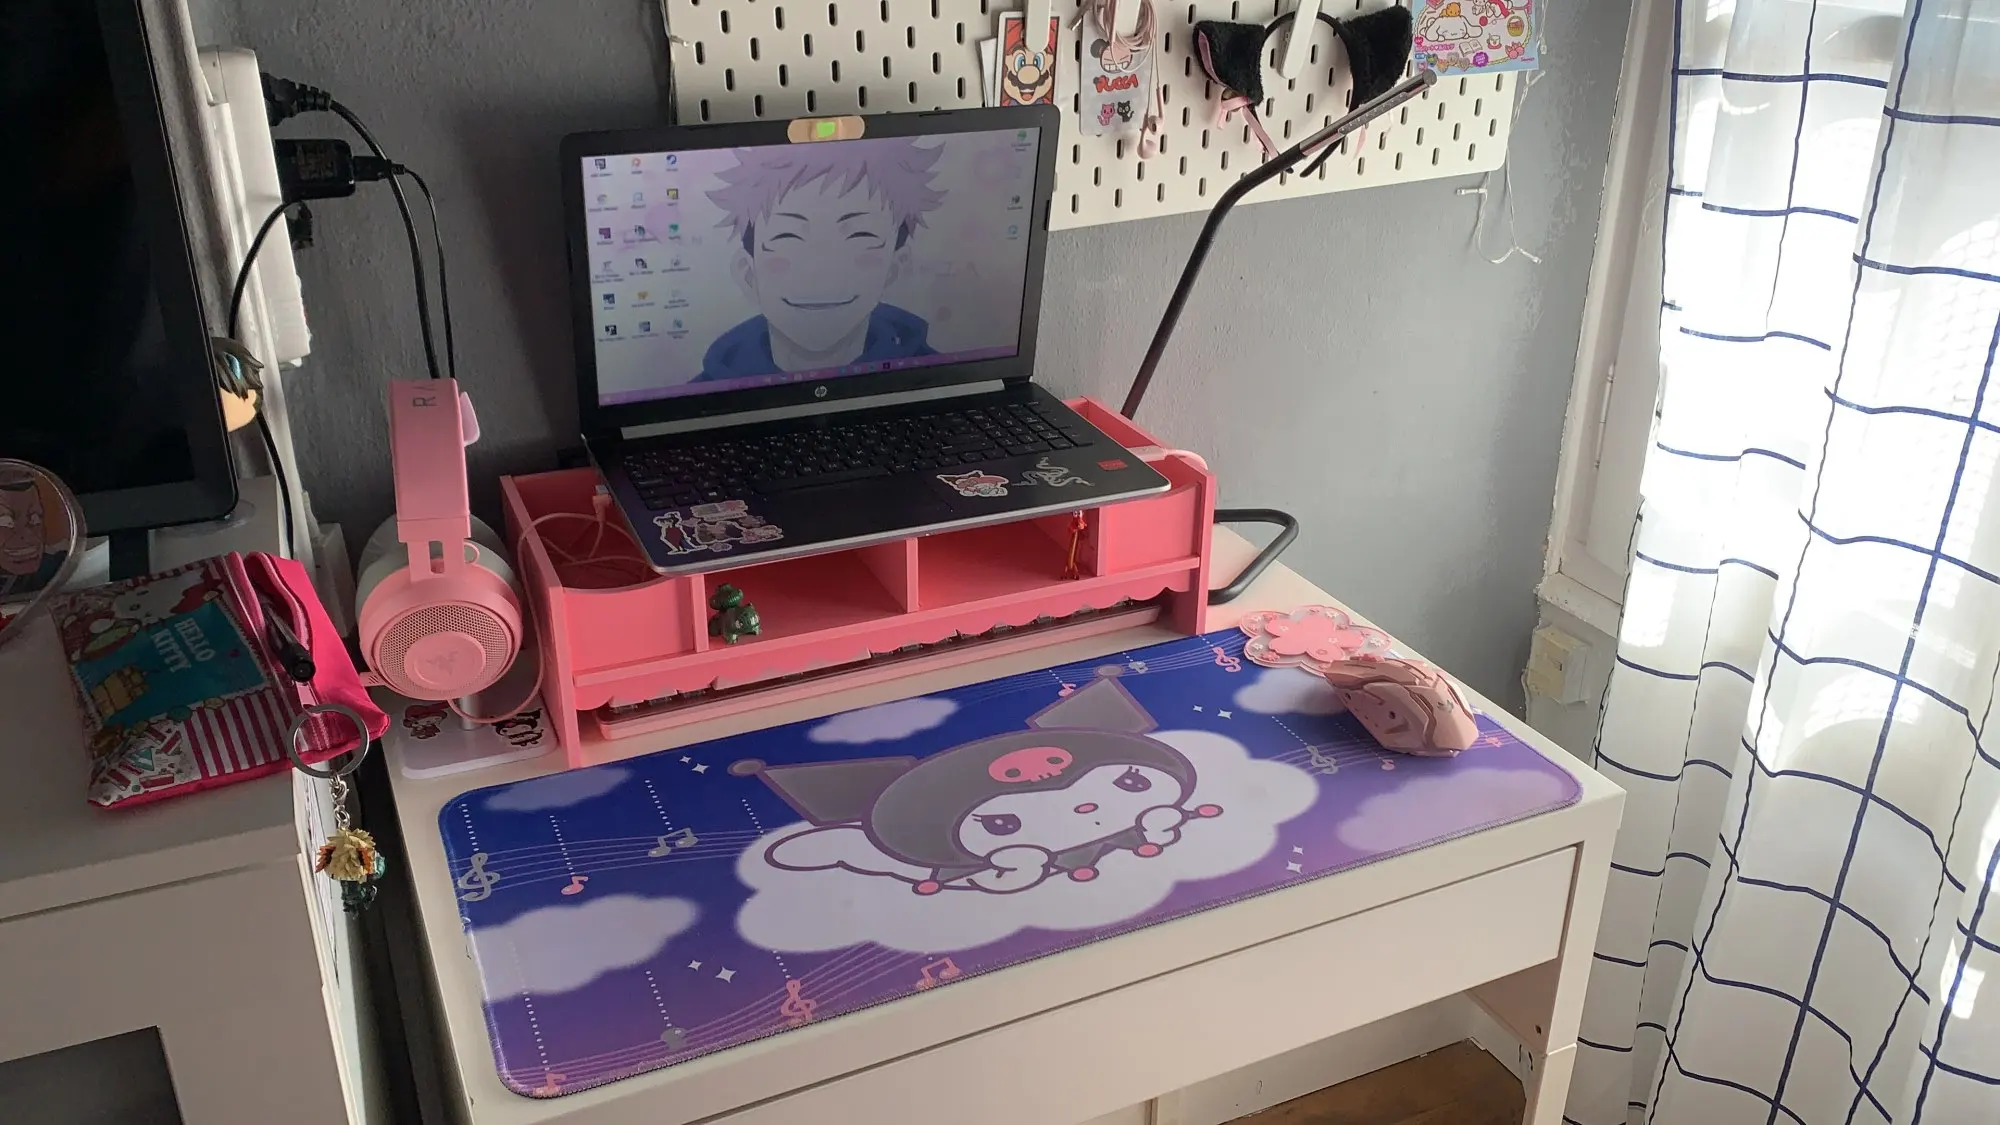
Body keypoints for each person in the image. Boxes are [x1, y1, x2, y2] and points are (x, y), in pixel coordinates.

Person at [698, 139, 945, 381]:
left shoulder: (936, 381)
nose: (820, 270)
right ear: (748, 274)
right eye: (787, 236)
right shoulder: (705, 393)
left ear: (895, 269)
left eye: (858, 235)